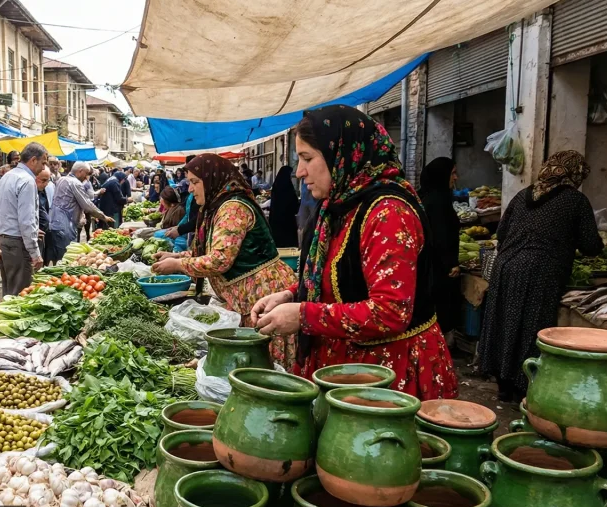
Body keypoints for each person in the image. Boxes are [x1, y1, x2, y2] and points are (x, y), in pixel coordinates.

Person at [251, 105, 458, 400]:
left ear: (342, 155)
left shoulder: (388, 213)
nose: (299, 171)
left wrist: (304, 315)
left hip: (386, 375)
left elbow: (390, 311)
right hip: (345, 364)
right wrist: (292, 294)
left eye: (307, 158)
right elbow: (340, 277)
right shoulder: (339, 205)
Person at [478, 151, 602, 403]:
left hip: (505, 267)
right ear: (574, 175)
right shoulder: (575, 201)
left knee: (504, 322)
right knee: (531, 325)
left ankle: (503, 384)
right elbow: (591, 245)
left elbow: (501, 233)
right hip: (539, 272)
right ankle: (523, 384)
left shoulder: (523, 195)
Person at [152, 155, 297, 367]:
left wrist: (177, 265)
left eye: (194, 182)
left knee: (266, 364)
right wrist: (175, 256)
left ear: (211, 179)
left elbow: (219, 260)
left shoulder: (232, 208)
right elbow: (211, 251)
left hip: (262, 292)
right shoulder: (217, 206)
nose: (190, 189)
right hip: (246, 297)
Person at [0, 142, 47, 296]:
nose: (44, 168)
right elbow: (26, 220)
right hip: (17, 243)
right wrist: (35, 253)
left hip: (3, 240)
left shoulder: (8, 176)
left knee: (8, 290)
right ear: (33, 160)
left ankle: (2, 320)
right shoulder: (27, 181)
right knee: (20, 293)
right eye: (43, 163)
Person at [418, 157, 461, 336]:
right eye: (452, 173)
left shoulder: (427, 196)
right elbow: (440, 235)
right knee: (440, 310)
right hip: (437, 268)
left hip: (429, 265)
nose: (456, 178)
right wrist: (451, 263)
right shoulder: (438, 202)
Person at [50, 161, 113, 261]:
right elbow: (87, 205)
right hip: (66, 226)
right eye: (87, 173)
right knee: (67, 258)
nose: (87, 177)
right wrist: (103, 216)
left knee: (58, 257)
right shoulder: (75, 183)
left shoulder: (62, 179)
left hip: (55, 224)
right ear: (80, 171)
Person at [268, 163, 299, 248]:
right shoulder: (288, 188)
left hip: (276, 219)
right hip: (287, 221)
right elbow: (295, 205)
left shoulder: (276, 186)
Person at [36, 167, 53, 265]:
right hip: (34, 233)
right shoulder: (29, 191)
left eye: (48, 180)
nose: (46, 183)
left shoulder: (42, 190)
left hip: (42, 231)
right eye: (43, 180)